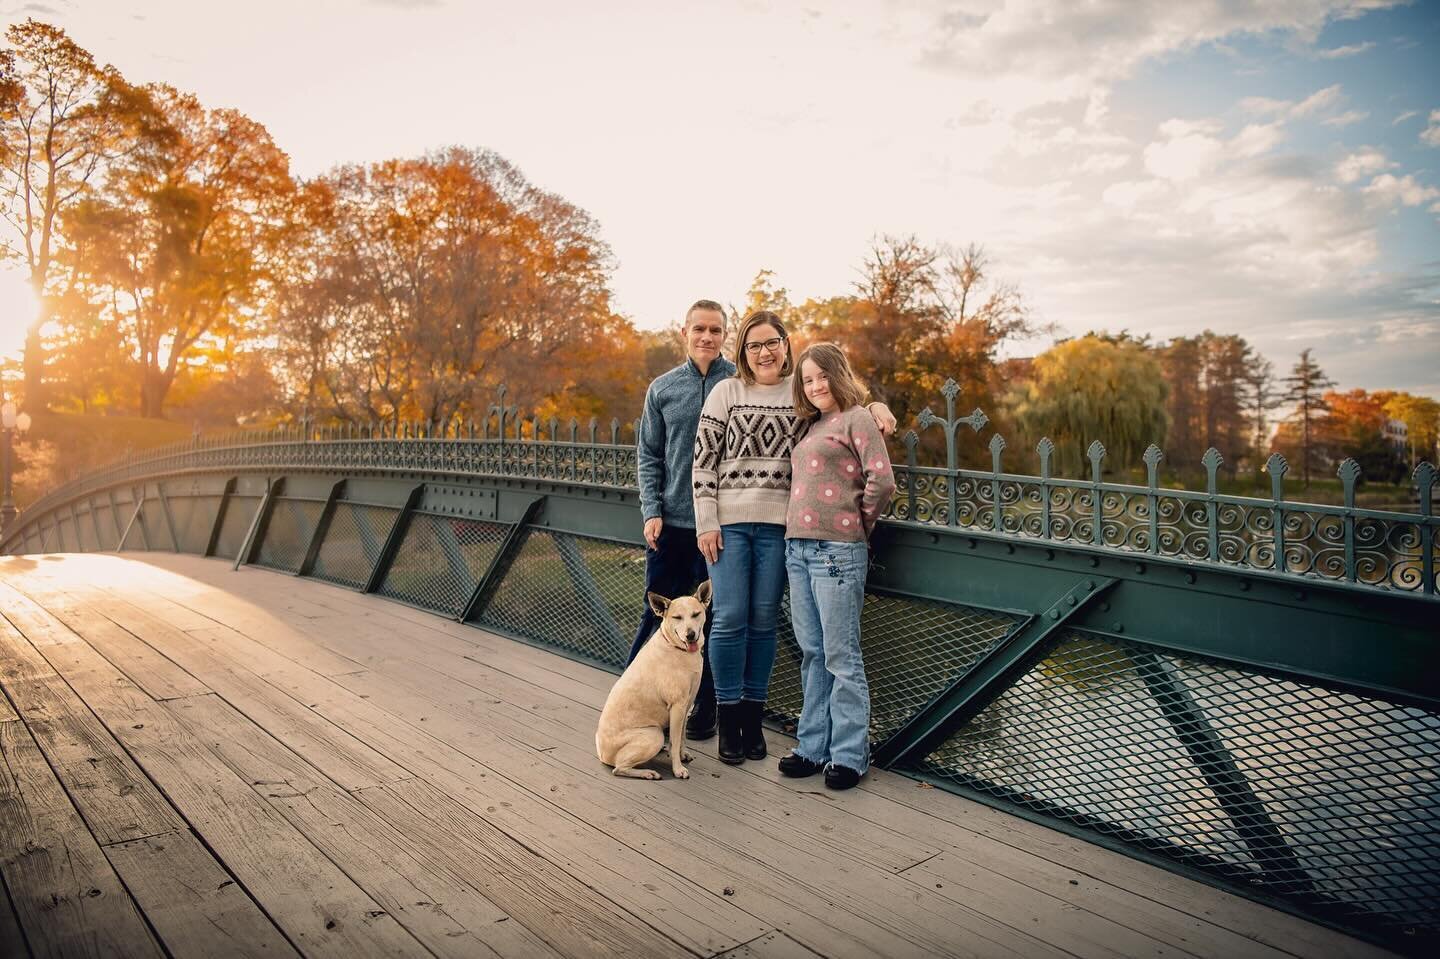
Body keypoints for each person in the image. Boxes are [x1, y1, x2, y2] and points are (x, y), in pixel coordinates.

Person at [693, 312, 895, 764]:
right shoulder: (727, 392)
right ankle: (729, 721)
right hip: (727, 522)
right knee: (728, 619)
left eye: (772, 343)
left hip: (783, 527)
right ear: (742, 351)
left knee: (765, 620)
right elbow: (703, 460)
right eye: (753, 345)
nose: (763, 352)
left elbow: (842, 411)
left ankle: (752, 718)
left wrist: (876, 408)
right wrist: (706, 519)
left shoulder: (801, 394)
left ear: (785, 345)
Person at [777, 342, 896, 790]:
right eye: (807, 380)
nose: (815, 385)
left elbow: (881, 481)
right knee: (812, 653)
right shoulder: (809, 424)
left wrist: (856, 526)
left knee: (841, 657)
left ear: (837, 374)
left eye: (821, 376)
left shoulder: (858, 418)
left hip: (836, 551)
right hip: (798, 550)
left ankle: (849, 756)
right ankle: (812, 748)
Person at [632, 299, 733, 740]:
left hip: (722, 526)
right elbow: (649, 455)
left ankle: (704, 709)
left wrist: (874, 407)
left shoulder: (740, 382)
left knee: (712, 619)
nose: (707, 337)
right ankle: (635, 696)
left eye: (715, 330)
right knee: (658, 617)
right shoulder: (663, 388)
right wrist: (651, 510)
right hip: (671, 525)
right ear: (685, 333)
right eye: (699, 329)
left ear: (724, 335)